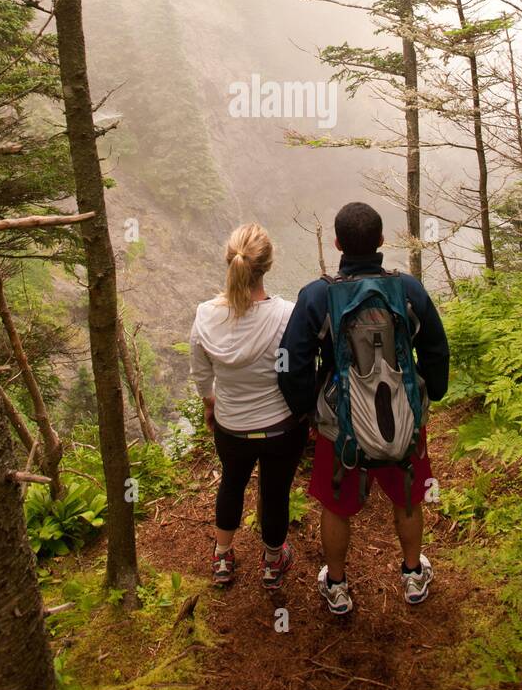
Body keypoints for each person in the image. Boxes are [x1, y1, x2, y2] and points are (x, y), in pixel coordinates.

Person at [278, 201, 449, 615]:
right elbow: (435, 347)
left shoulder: (318, 296)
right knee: (407, 498)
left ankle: (337, 585)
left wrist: (307, 412)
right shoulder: (408, 289)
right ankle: (411, 575)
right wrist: (431, 395)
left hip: (342, 427)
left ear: (337, 243)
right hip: (402, 418)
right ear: (381, 241)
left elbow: (290, 361)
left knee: (336, 506)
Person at [189, 223, 306, 590]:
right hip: (280, 428)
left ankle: (222, 555)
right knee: (274, 492)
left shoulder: (206, 315)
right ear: (267, 266)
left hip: (232, 427)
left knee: (232, 483)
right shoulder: (287, 315)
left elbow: (201, 372)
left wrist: (211, 406)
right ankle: (273, 562)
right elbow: (296, 367)